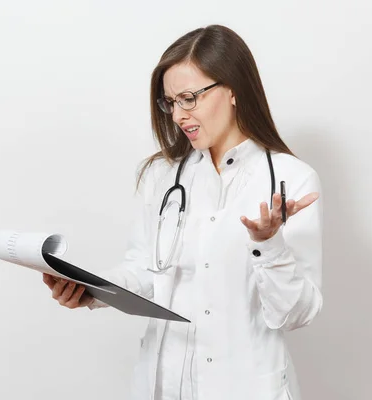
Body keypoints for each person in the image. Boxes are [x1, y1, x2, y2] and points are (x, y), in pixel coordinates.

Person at [42, 24, 323, 400]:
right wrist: (91, 290)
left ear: (234, 90)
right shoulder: (163, 175)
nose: (177, 115)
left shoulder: (291, 180)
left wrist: (269, 246)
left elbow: (296, 314)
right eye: (170, 102)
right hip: (164, 386)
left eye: (189, 98)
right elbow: (145, 270)